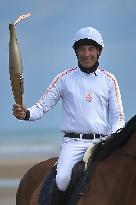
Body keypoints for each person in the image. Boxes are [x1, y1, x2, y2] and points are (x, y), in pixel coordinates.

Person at [13, 26, 125, 205]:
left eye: (91, 49)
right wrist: (25, 113)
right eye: (82, 49)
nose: (86, 54)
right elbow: (42, 107)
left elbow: (118, 115)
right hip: (74, 144)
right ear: (76, 52)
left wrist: (115, 136)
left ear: (98, 51)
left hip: (102, 142)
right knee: (62, 179)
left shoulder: (109, 80)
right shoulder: (64, 78)